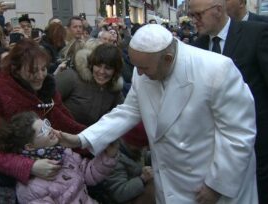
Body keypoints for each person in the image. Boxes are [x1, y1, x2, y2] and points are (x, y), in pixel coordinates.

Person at [58, 24, 257, 204]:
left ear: (168, 59)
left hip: (208, 182)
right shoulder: (143, 67)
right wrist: (82, 139)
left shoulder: (217, 70)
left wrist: (216, 185)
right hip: (170, 182)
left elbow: (238, 135)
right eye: (136, 67)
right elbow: (128, 111)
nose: (140, 74)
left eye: (144, 68)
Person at [0, 38, 85, 203]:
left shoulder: (47, 91)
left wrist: (91, 140)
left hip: (56, 172)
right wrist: (29, 166)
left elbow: (66, 124)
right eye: (32, 71)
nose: (40, 76)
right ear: (15, 70)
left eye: (43, 69)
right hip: (7, 184)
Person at [190, 0, 268, 203]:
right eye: (192, 15)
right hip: (215, 146)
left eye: (198, 15)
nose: (194, 21)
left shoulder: (256, 34)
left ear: (218, 10)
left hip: (258, 139)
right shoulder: (197, 47)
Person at [0, 111, 119, 204]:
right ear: (29, 146)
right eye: (42, 131)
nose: (49, 130)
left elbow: (88, 174)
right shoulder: (30, 188)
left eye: (46, 124)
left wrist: (108, 155)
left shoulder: (63, 152)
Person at [55, 42, 124, 126]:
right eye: (98, 65)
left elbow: (123, 115)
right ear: (92, 64)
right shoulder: (72, 77)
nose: (101, 72)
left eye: (108, 68)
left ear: (115, 71)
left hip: (87, 137)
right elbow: (45, 98)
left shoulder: (114, 90)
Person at [101, 123, 155, 204]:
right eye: (141, 146)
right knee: (154, 186)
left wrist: (156, 156)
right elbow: (119, 193)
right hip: (124, 199)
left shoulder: (135, 149)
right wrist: (142, 179)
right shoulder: (114, 160)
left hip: (136, 188)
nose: (143, 148)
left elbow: (142, 157)